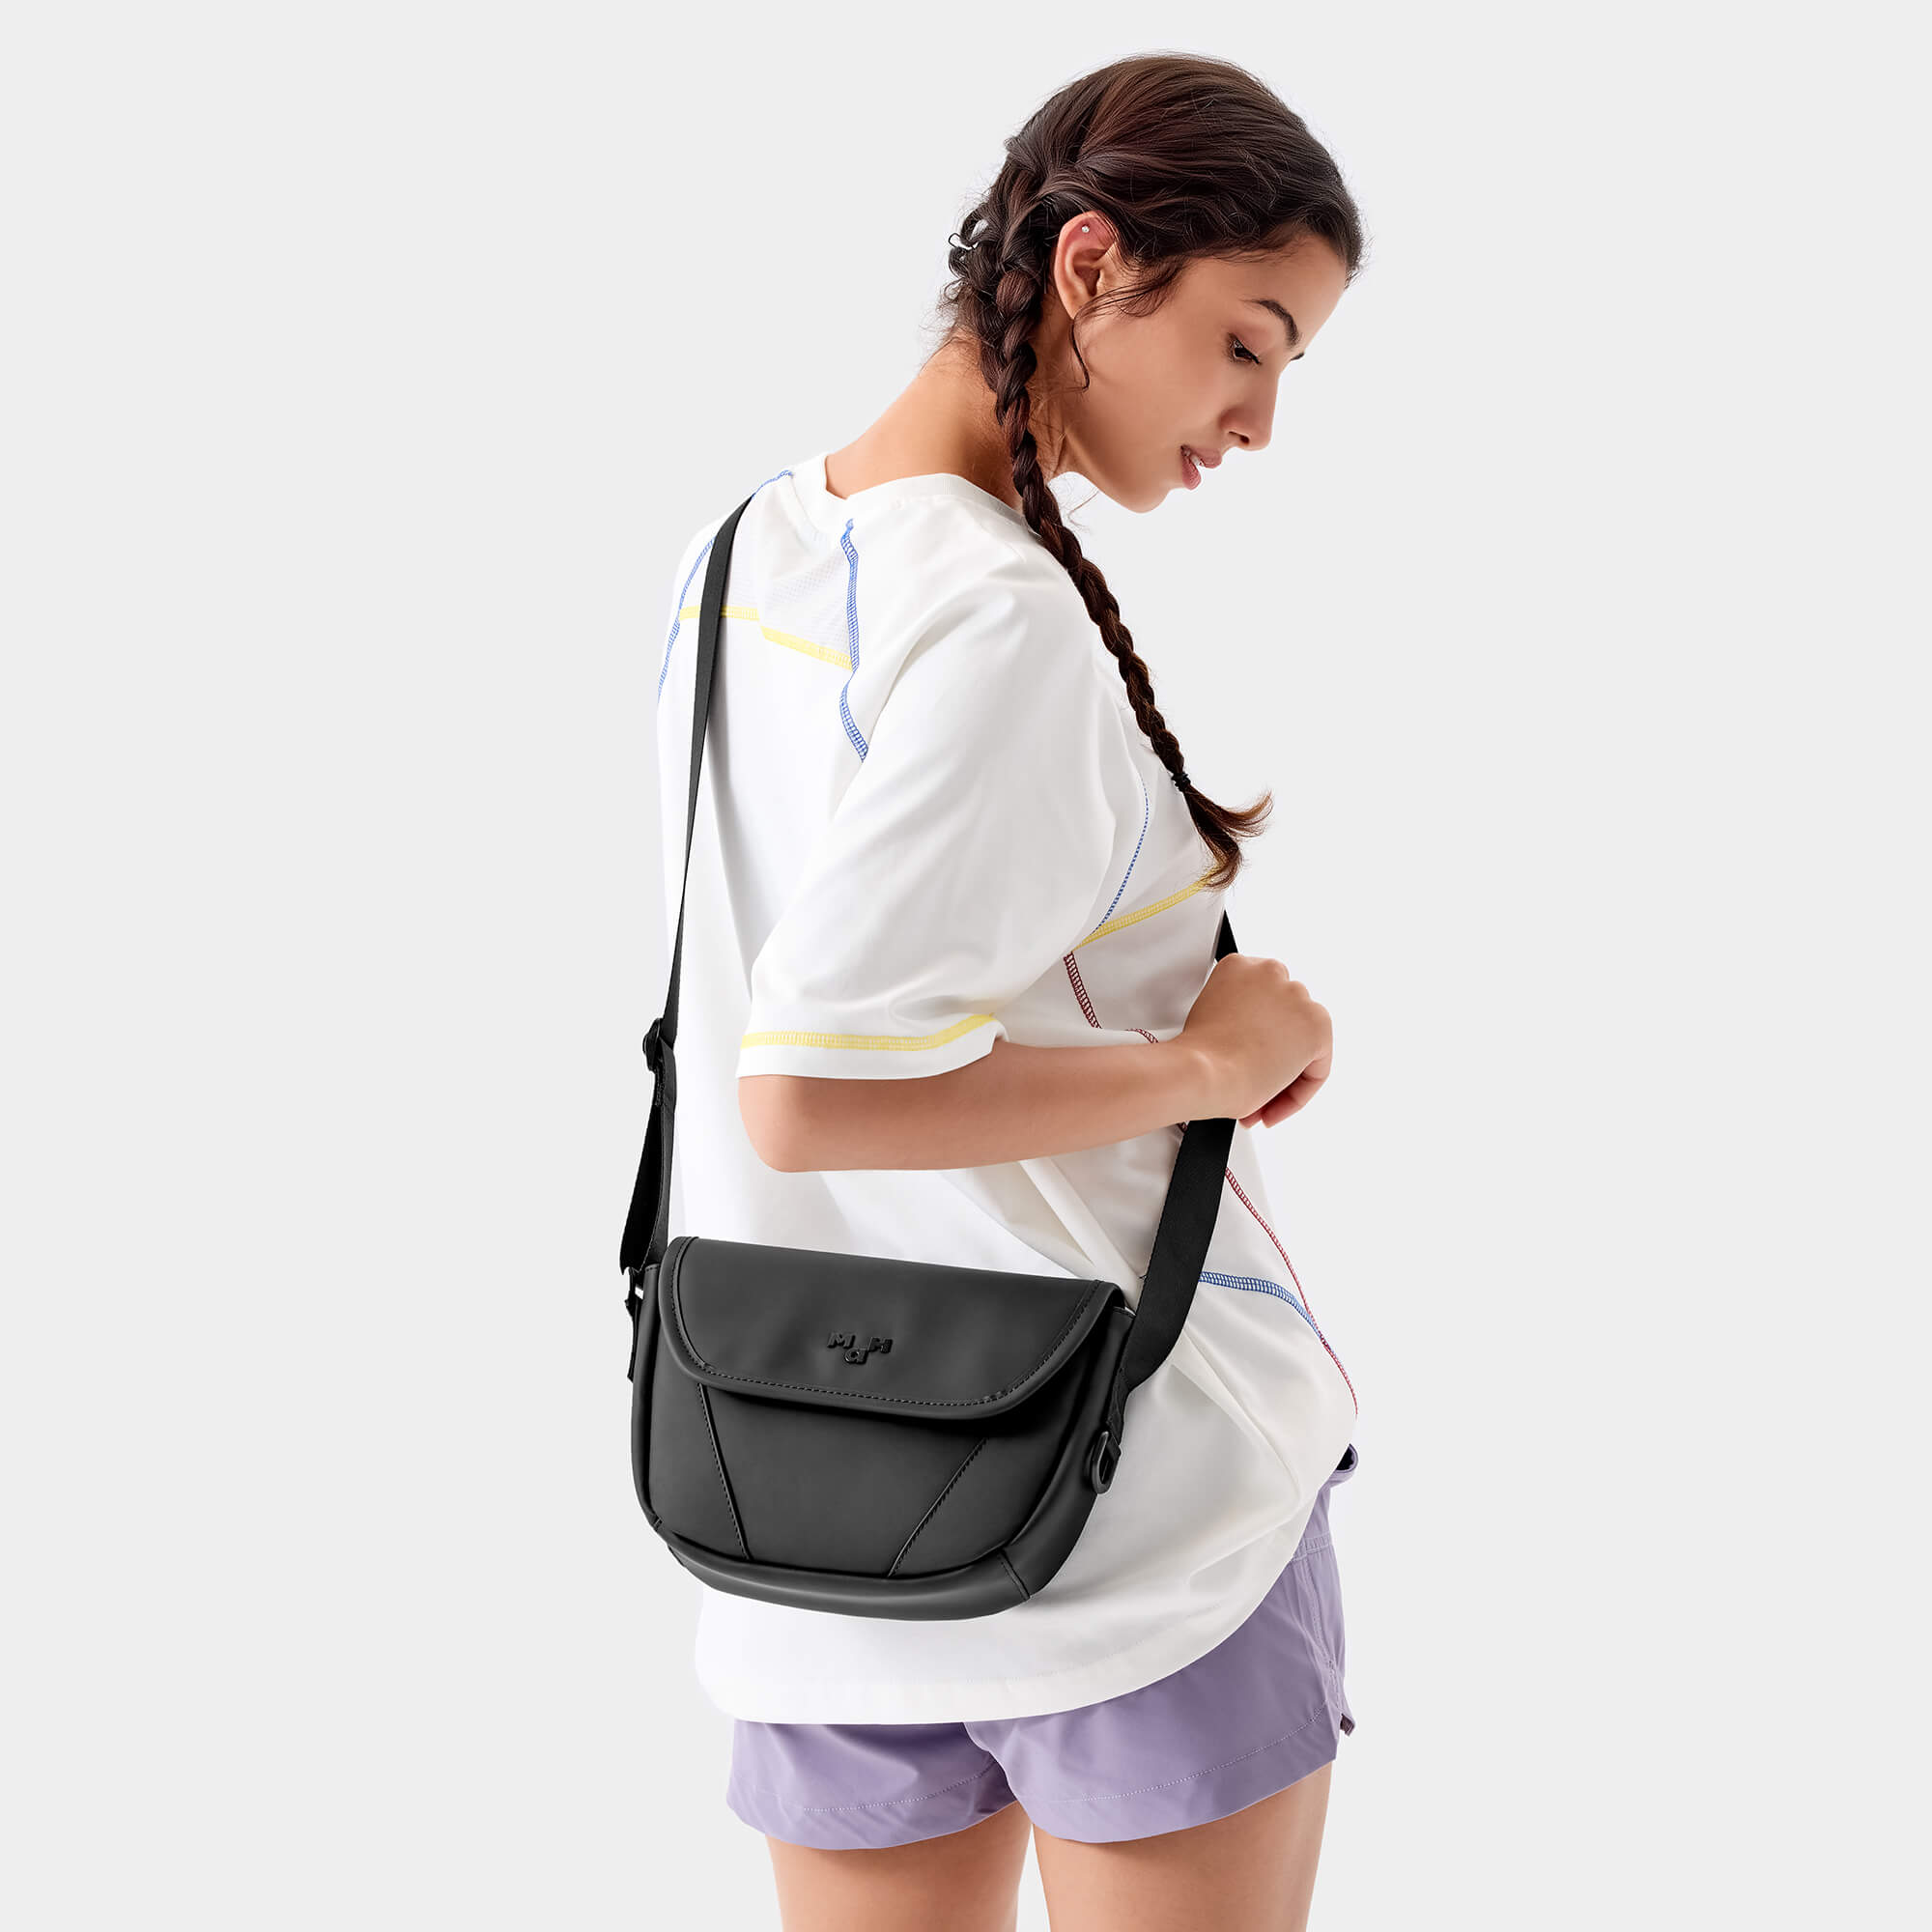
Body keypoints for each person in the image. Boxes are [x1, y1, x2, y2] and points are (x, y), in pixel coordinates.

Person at [647, 51, 1368, 1932]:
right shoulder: (999, 613)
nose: (1259, 420)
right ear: (1093, 266)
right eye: (1247, 342)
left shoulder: (741, 559)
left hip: (803, 1500)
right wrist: (1208, 1060)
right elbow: (812, 1090)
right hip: (1127, 1516)